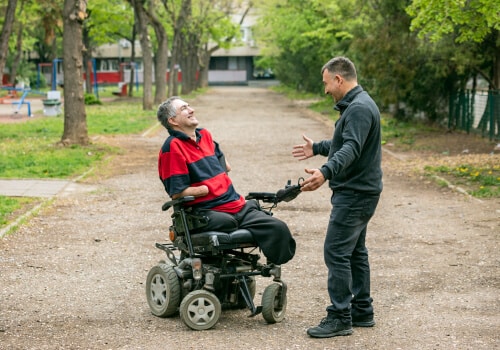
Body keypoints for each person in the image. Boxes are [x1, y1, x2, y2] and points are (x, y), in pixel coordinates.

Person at [292, 57, 383, 338]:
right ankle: (362, 310)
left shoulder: (358, 108)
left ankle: (340, 316)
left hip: (355, 194)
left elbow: (352, 148)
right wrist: (319, 147)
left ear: (339, 79)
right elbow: (347, 141)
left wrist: (325, 171)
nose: (325, 90)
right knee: (355, 252)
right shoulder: (360, 105)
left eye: (326, 83)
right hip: (362, 191)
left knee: (336, 252)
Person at [157, 96, 296, 265]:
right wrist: (203, 190)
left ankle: (270, 268)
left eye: (189, 106)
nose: (191, 109)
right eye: (184, 108)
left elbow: (225, 167)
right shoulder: (172, 147)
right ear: (173, 120)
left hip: (235, 205)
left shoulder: (205, 135)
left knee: (277, 228)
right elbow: (177, 192)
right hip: (205, 211)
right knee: (227, 222)